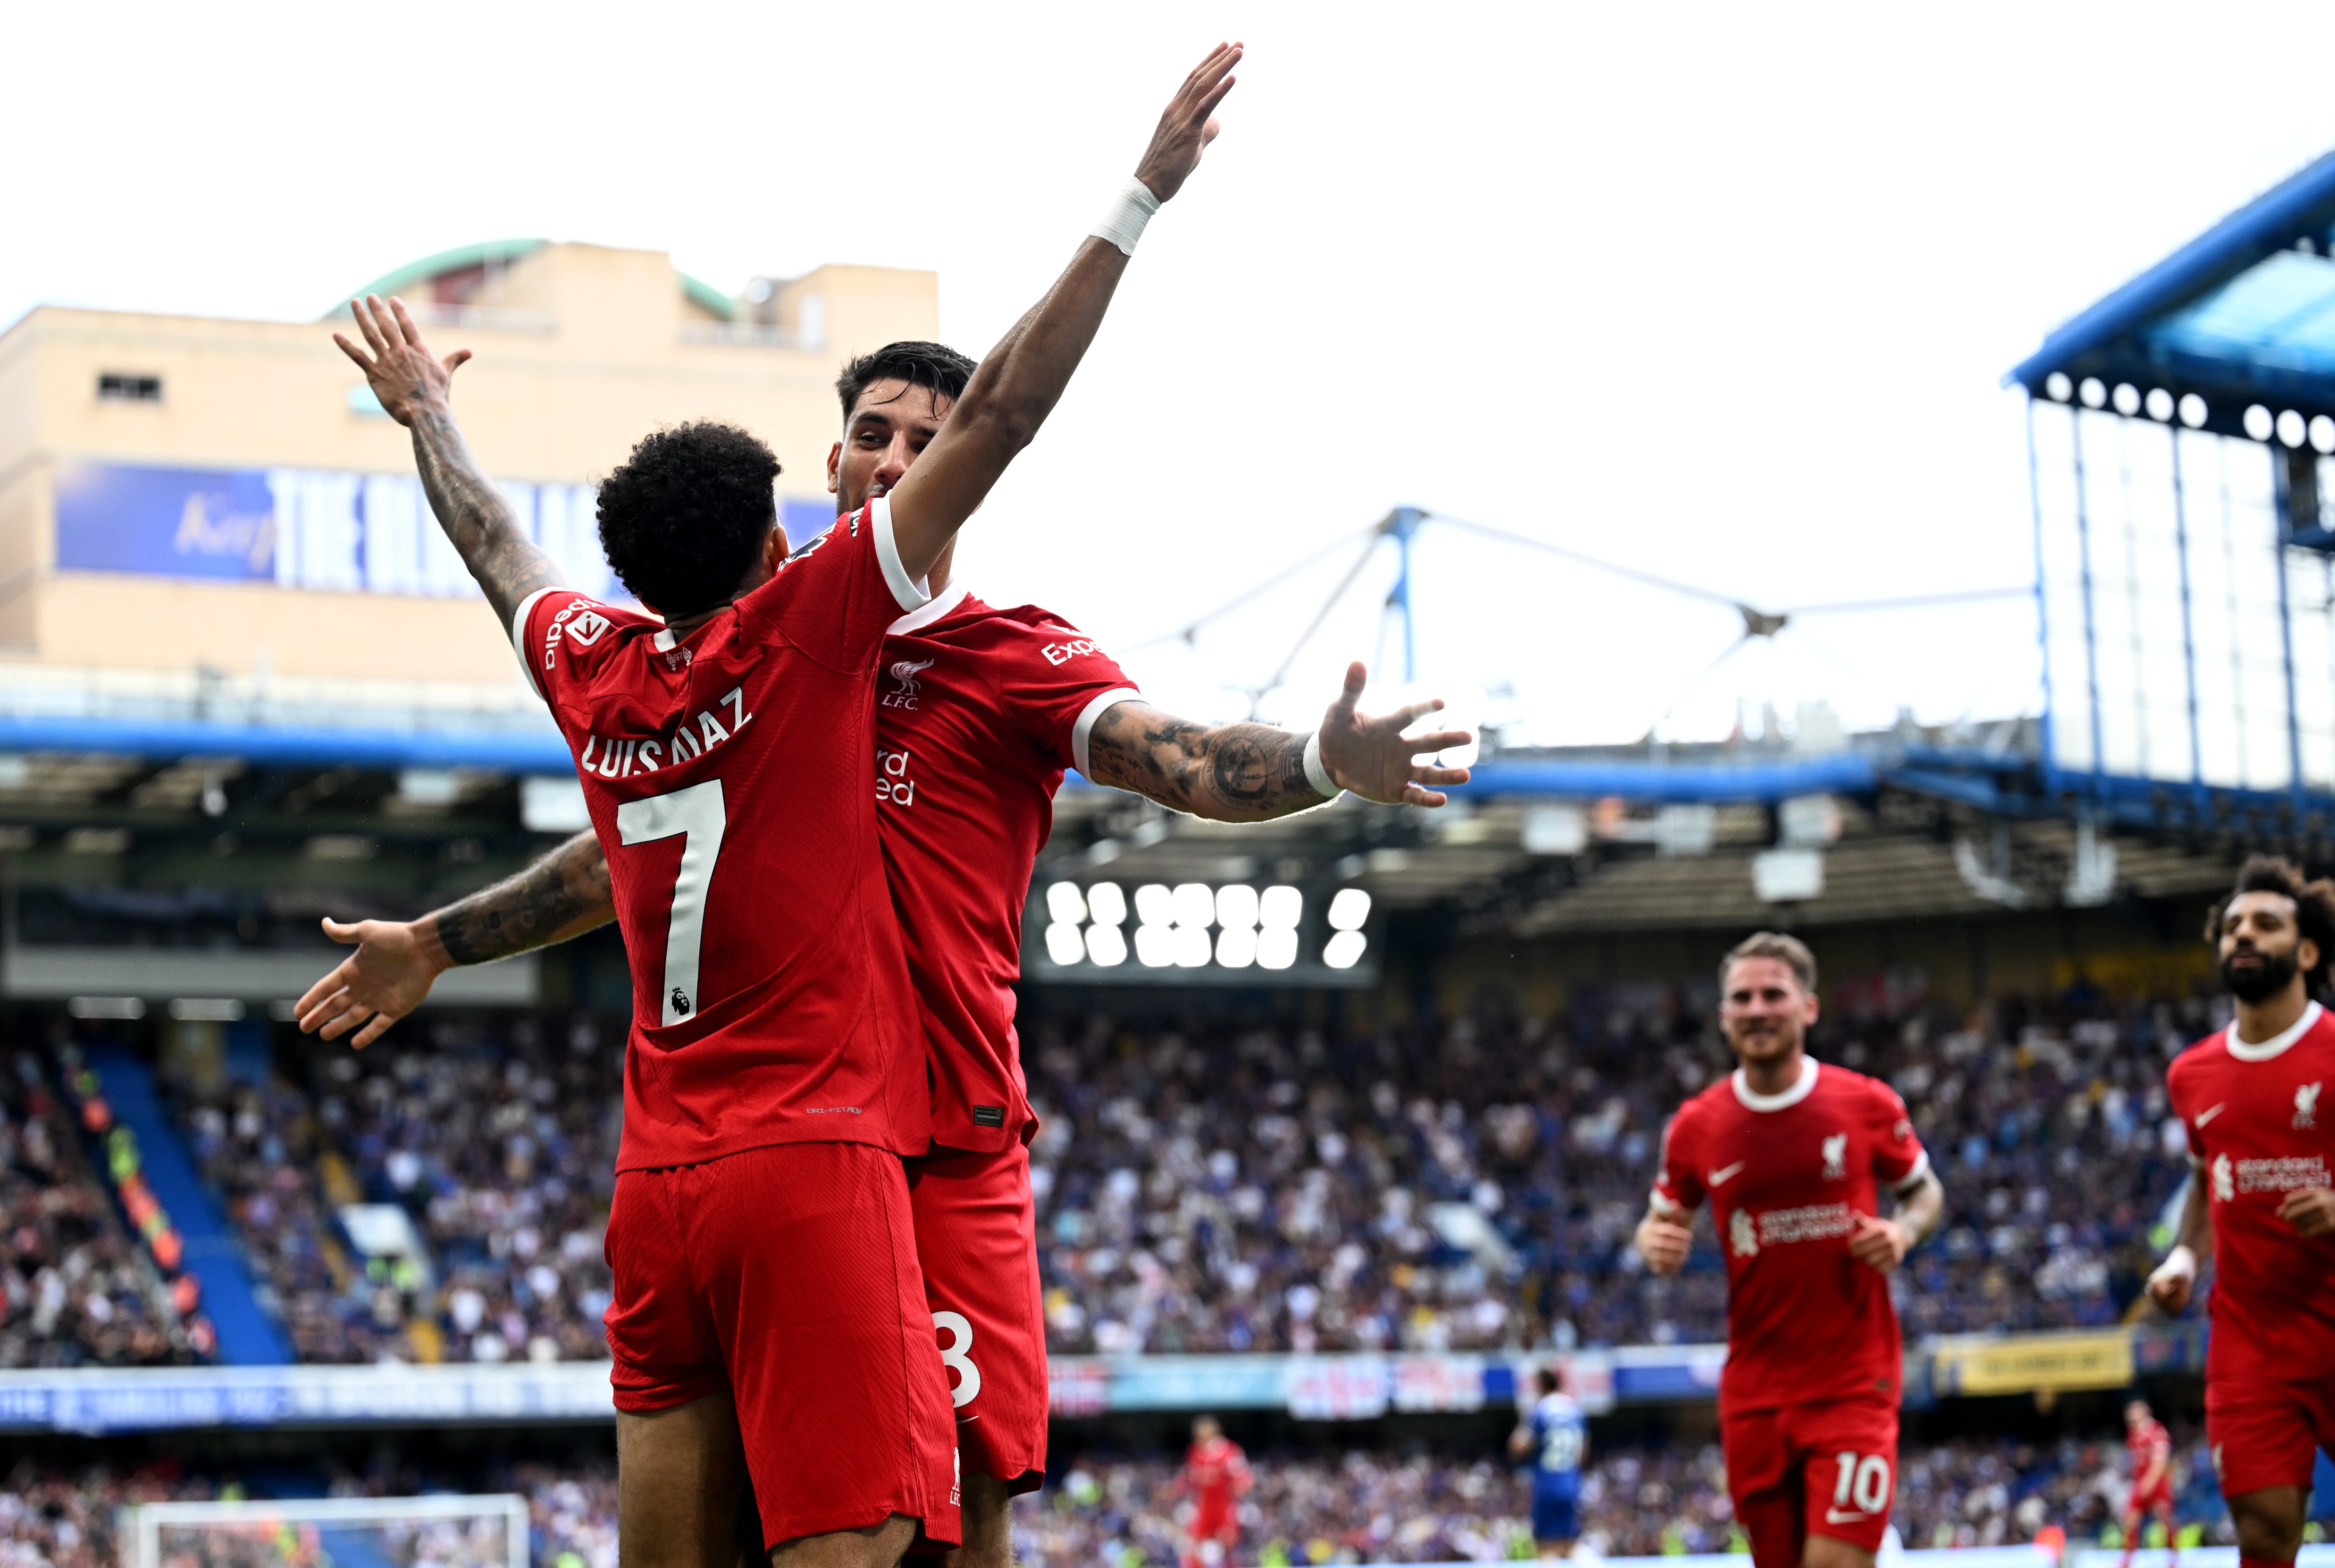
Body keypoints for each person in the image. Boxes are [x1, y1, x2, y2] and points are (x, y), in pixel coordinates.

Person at [309, 42, 1468, 1568]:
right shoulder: (777, 631)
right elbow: (624, 855)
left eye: (929, 439)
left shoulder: (999, 654)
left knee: (955, 1524)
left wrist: (1322, 766)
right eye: (877, 433)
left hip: (935, 1143)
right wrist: (448, 941)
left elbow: (1178, 756)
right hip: (813, 1150)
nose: (905, 456)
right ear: (827, 458)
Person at [1632, 932, 1944, 1568]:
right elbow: (1658, 1220)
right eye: (1740, 997)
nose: (1756, 1008)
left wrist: (1903, 1231)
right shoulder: (1697, 1124)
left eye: (1772, 993)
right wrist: (1652, 1242)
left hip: (1853, 1381)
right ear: (1722, 1015)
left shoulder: (1864, 1103)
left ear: (1808, 1007)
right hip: (1755, 1392)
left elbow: (1924, 1193)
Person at [2146, 856, 2335, 1568]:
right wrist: (2185, 1258)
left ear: (2307, 950)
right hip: (2251, 1338)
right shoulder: (2191, 1075)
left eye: (2264, 923)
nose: (2243, 936)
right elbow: (2205, 1181)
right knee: (2262, 1530)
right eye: (2230, 927)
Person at [1508, 1365, 1586, 1558]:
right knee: (1569, 1543)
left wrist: (1520, 1424)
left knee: (1545, 1545)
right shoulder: (1574, 1410)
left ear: (1541, 1385)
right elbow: (1583, 1452)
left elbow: (1519, 1448)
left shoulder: (1539, 1410)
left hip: (1547, 1484)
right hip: (1570, 1482)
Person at [1175, 1415, 1254, 1568]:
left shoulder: (1228, 1451)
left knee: (1228, 1544)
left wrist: (1241, 1487)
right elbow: (1189, 1478)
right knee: (1193, 1545)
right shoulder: (1195, 1453)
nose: (1198, 1434)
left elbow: (1243, 1475)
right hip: (1204, 1505)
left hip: (1224, 1504)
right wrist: (1176, 1488)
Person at [2116, 1397, 2178, 1568]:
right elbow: (2136, 1462)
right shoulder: (2132, 1435)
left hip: (2156, 1483)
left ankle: (2174, 1558)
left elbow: (2160, 1461)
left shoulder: (2157, 1432)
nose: (2130, 1416)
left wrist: (2149, 1482)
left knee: (2165, 1518)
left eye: (2134, 1412)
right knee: (2130, 1520)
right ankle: (2127, 1559)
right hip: (2140, 1482)